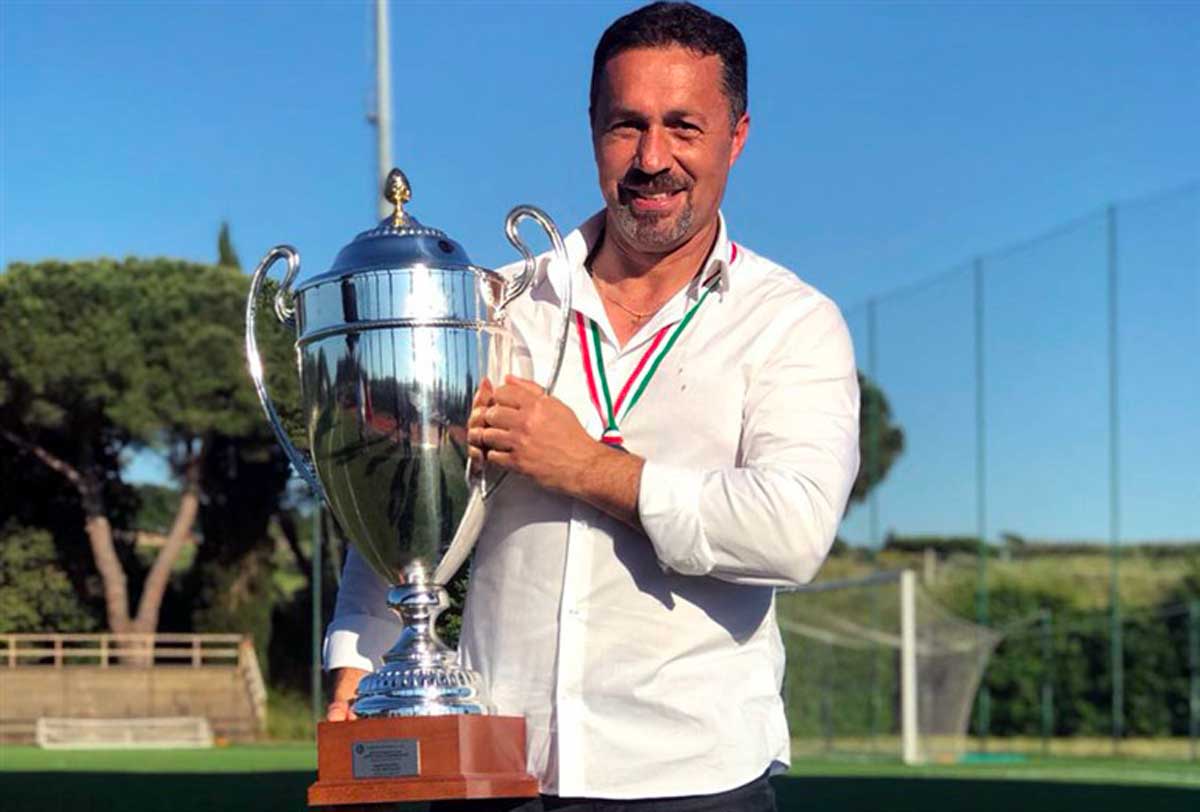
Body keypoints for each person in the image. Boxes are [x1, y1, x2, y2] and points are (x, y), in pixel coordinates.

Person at [323, 3, 860, 810]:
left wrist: (585, 467)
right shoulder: (499, 305)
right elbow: (406, 502)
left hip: (696, 780)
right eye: (626, 125)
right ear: (591, 128)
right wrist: (360, 666)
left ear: (737, 136)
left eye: (683, 126)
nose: (652, 158)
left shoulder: (791, 322)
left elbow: (791, 531)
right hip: (497, 771)